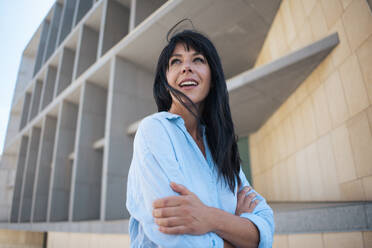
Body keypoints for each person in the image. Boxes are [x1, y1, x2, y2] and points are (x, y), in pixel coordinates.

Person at [126, 27, 274, 248]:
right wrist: (236, 226)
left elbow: (265, 225)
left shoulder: (222, 146)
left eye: (198, 60)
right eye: (176, 62)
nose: (186, 67)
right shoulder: (154, 131)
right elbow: (175, 237)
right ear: (165, 80)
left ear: (212, 77)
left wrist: (210, 217)